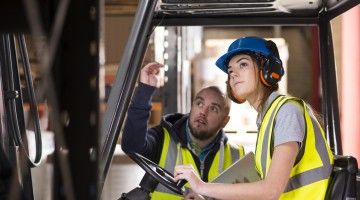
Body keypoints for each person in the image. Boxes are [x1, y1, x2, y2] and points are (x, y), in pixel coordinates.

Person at [174, 36, 334, 200]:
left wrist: (202, 186)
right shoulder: (267, 119)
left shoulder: (287, 111)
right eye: (230, 70)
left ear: (267, 70)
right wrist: (206, 195)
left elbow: (271, 191)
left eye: (243, 64)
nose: (233, 74)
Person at [121, 62, 245, 199]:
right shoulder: (162, 138)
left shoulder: (237, 156)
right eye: (199, 103)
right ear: (191, 107)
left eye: (213, 108)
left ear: (224, 121)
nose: (203, 112)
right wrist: (145, 91)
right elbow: (131, 146)